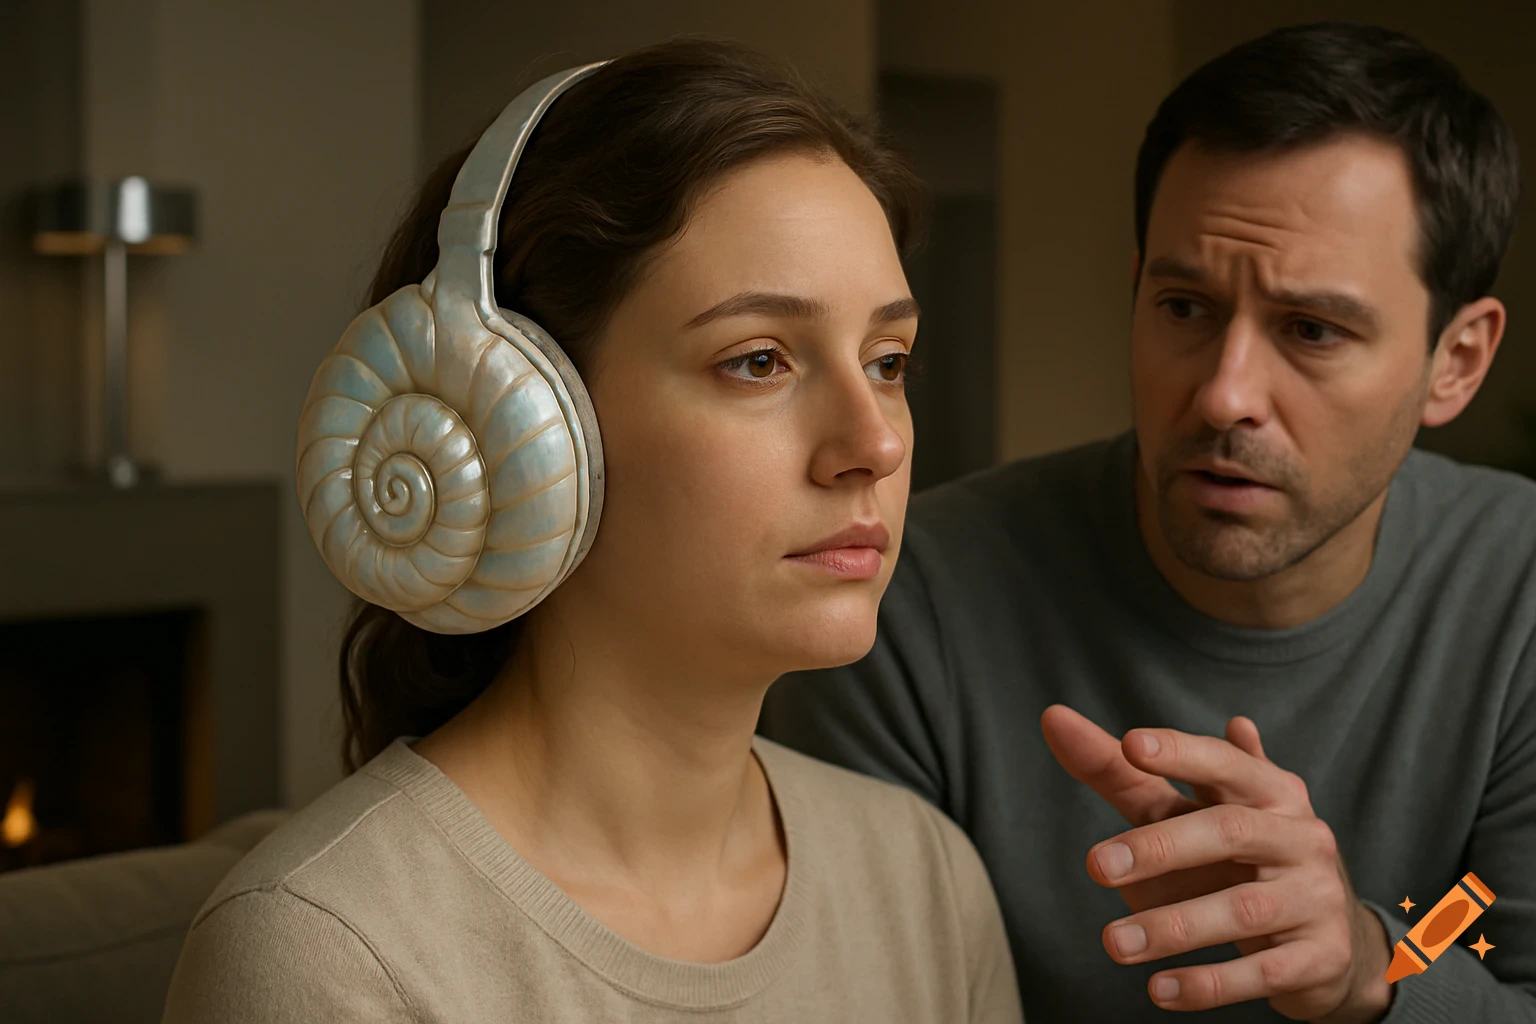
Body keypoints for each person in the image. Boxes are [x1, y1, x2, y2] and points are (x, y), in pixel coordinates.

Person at [161, 39, 1022, 1024]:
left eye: (887, 360)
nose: (874, 443)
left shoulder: (924, 876)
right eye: (758, 360)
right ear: (511, 409)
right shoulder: (326, 953)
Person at [762, 21, 1536, 1024]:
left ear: (1456, 362)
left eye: (1312, 330)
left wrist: (1374, 967)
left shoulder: (1519, 596)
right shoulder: (905, 606)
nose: (1225, 395)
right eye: (1184, 308)